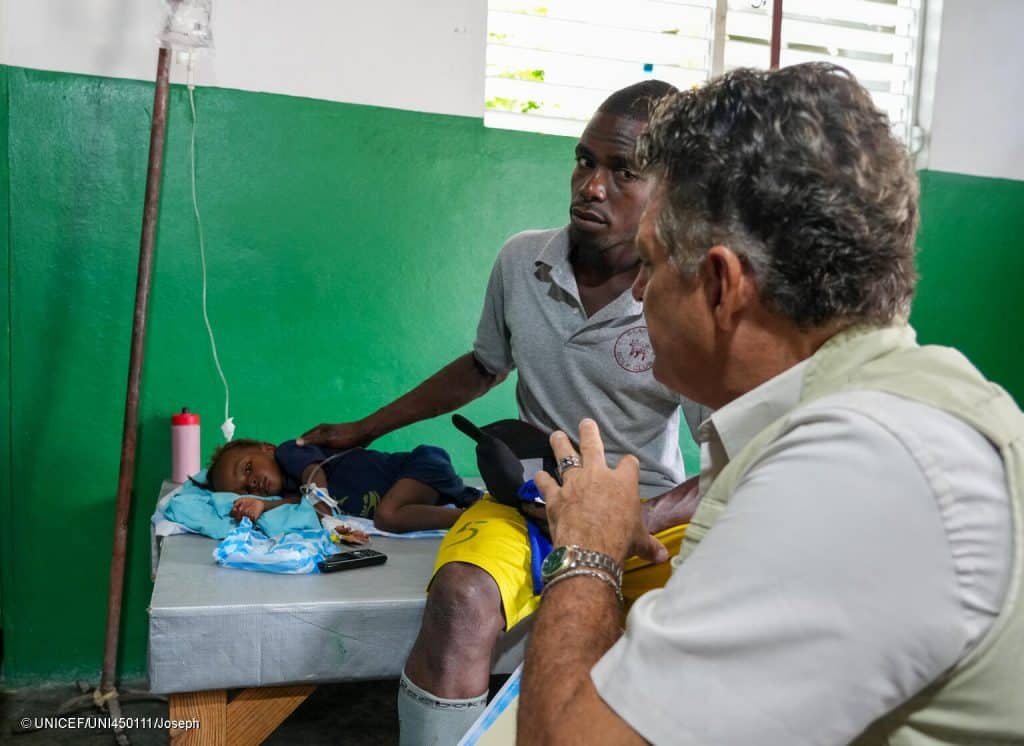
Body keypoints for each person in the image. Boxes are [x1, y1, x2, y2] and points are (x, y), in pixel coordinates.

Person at [519, 62, 1024, 746]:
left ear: (724, 286)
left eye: (652, 264)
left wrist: (588, 549)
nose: (639, 294)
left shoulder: (861, 470)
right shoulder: (863, 410)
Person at [299, 80, 707, 745]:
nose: (591, 186)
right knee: (459, 598)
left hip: (645, 513)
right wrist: (363, 430)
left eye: (622, 172)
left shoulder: (682, 296)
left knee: (697, 626)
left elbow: (729, 460)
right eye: (584, 161)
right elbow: (484, 365)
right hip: (529, 499)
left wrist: (629, 518)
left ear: (669, 192)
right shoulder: (523, 262)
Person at [203, 438, 480, 532]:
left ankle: (481, 518)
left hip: (420, 465)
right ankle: (477, 504)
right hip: (422, 493)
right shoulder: (294, 495)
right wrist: (263, 505)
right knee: (400, 512)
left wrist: (325, 515)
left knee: (387, 516)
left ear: (267, 448)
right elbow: (297, 503)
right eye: (246, 489)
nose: (252, 482)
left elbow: (315, 475)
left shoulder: (290, 451)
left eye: (248, 468)